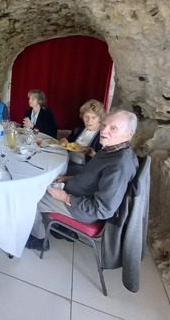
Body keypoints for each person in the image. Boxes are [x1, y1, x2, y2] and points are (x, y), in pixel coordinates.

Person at [26, 110, 139, 251]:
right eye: (104, 125)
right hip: (78, 193)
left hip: (83, 210)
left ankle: (39, 239)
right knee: (46, 182)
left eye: (113, 128)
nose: (104, 130)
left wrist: (65, 197)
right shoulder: (111, 150)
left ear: (129, 134)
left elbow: (103, 210)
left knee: (31, 197)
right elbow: (93, 176)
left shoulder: (119, 165)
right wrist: (68, 178)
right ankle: (57, 226)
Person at [62, 99, 105, 175]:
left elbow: (103, 161)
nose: (89, 121)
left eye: (93, 117)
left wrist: (91, 153)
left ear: (100, 119)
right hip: (66, 160)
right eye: (86, 116)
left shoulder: (103, 135)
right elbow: (69, 144)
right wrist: (65, 142)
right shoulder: (79, 128)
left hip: (84, 168)